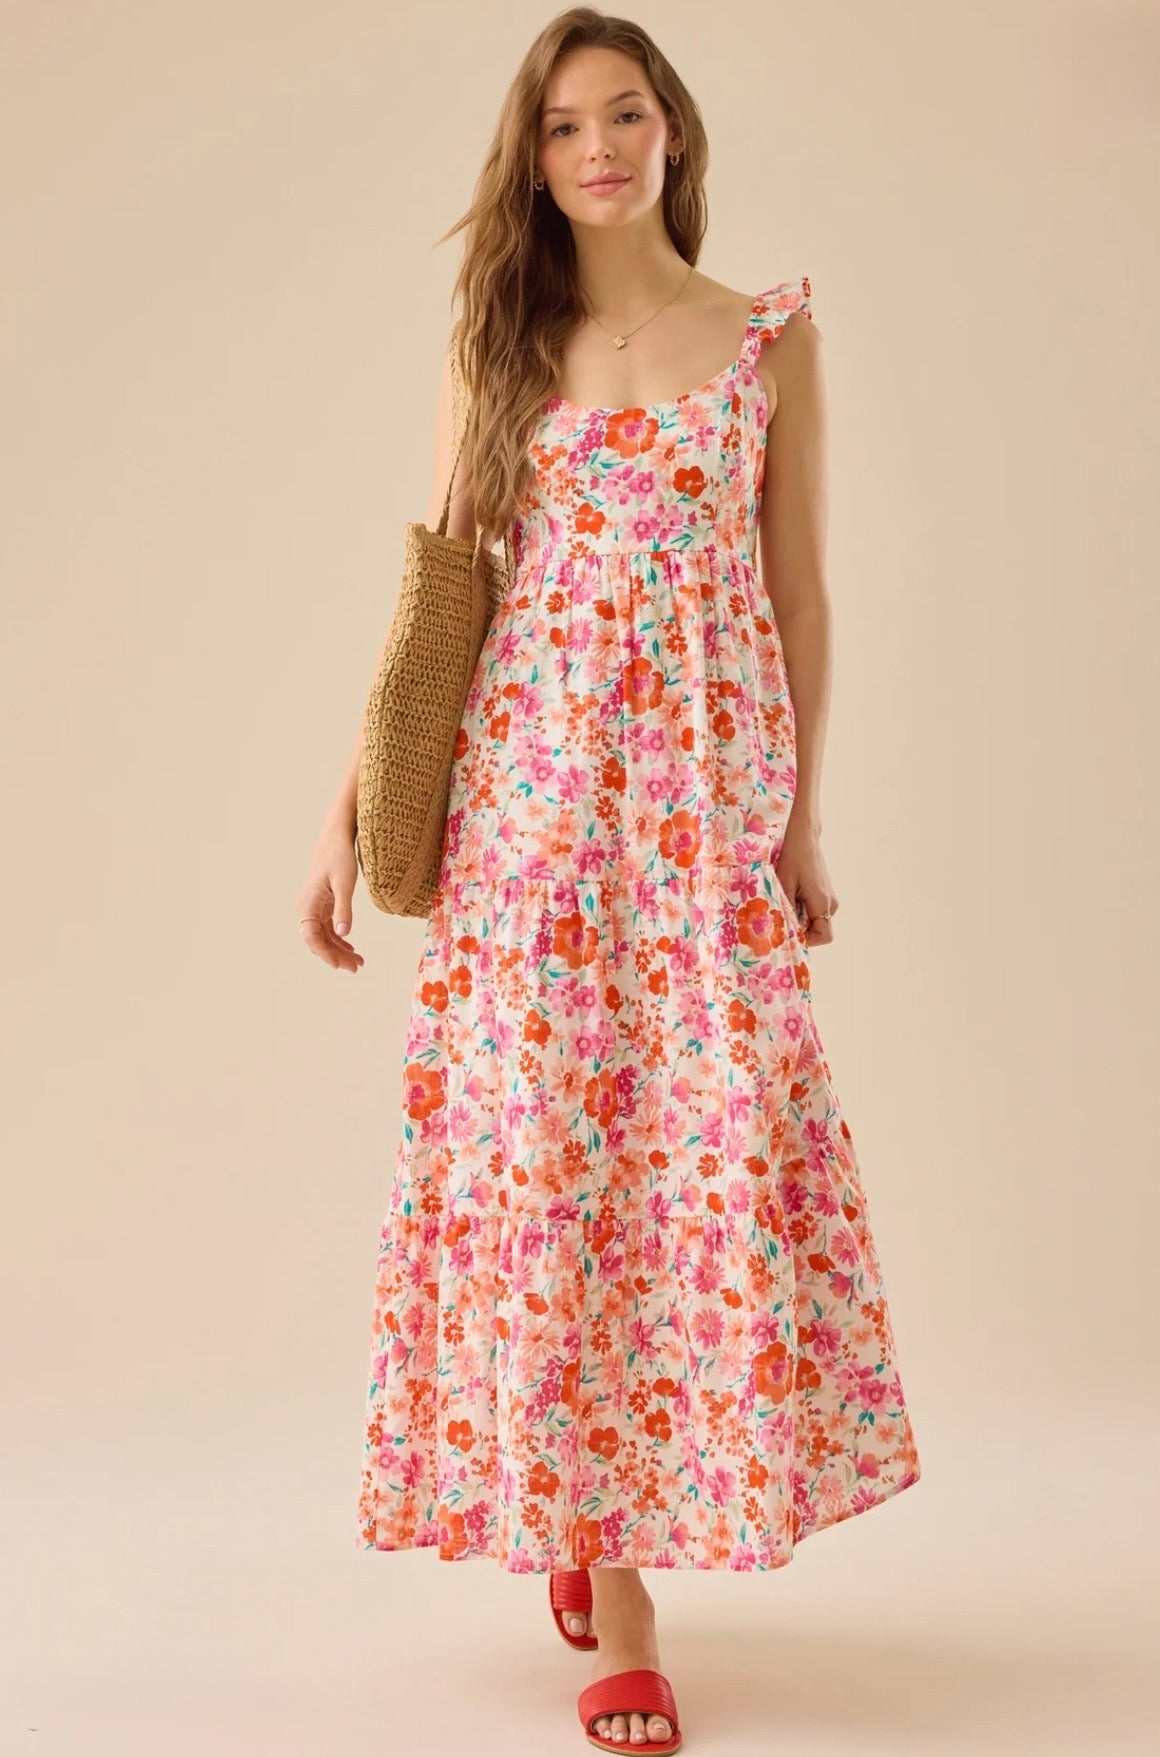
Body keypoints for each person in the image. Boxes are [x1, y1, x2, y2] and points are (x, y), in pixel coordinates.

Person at [298, 9, 921, 1752]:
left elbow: (798, 599)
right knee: (557, 1172)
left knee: (677, 1175)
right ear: (537, 156)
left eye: (625, 112)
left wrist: (794, 823)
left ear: (671, 130)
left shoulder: (765, 341)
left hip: (695, 834)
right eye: (565, 124)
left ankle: (603, 1517)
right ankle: (615, 1576)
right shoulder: (505, 344)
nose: (598, 147)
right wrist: (352, 806)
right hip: (534, 837)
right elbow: (440, 599)